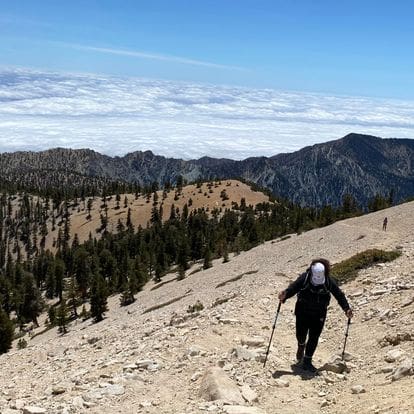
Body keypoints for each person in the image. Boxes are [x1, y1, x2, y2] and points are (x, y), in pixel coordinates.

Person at [278, 258, 353, 373]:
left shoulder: (328, 281)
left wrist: (346, 309)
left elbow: (339, 295)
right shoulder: (305, 278)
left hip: (319, 313)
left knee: (314, 337)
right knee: (300, 334)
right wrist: (285, 295)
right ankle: (301, 345)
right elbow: (293, 288)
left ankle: (307, 361)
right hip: (302, 311)